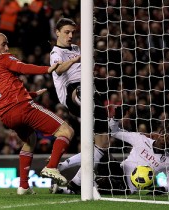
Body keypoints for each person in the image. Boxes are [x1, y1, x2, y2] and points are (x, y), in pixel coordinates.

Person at [0, 32, 74, 195]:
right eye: (4, 44)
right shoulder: (2, 58)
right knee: (66, 131)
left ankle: (23, 185)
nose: (7, 48)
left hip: (6, 115)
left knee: (30, 139)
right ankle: (51, 167)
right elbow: (22, 67)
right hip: (22, 108)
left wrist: (32, 94)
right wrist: (47, 69)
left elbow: (4, 93)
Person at [51, 107, 169, 195]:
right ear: (158, 134)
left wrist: (162, 189)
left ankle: (67, 189)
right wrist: (116, 118)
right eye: (163, 135)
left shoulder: (168, 161)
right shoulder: (141, 139)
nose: (164, 139)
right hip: (118, 170)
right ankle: (61, 166)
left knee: (97, 187)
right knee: (99, 150)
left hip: (128, 187)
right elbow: (114, 131)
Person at [49, 18, 109, 193]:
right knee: (84, 92)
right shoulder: (56, 52)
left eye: (72, 32)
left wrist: (92, 26)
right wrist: (77, 60)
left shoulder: (75, 48)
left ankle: (73, 182)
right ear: (57, 32)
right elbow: (58, 70)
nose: (70, 36)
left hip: (88, 90)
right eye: (66, 32)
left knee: (102, 144)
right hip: (72, 93)